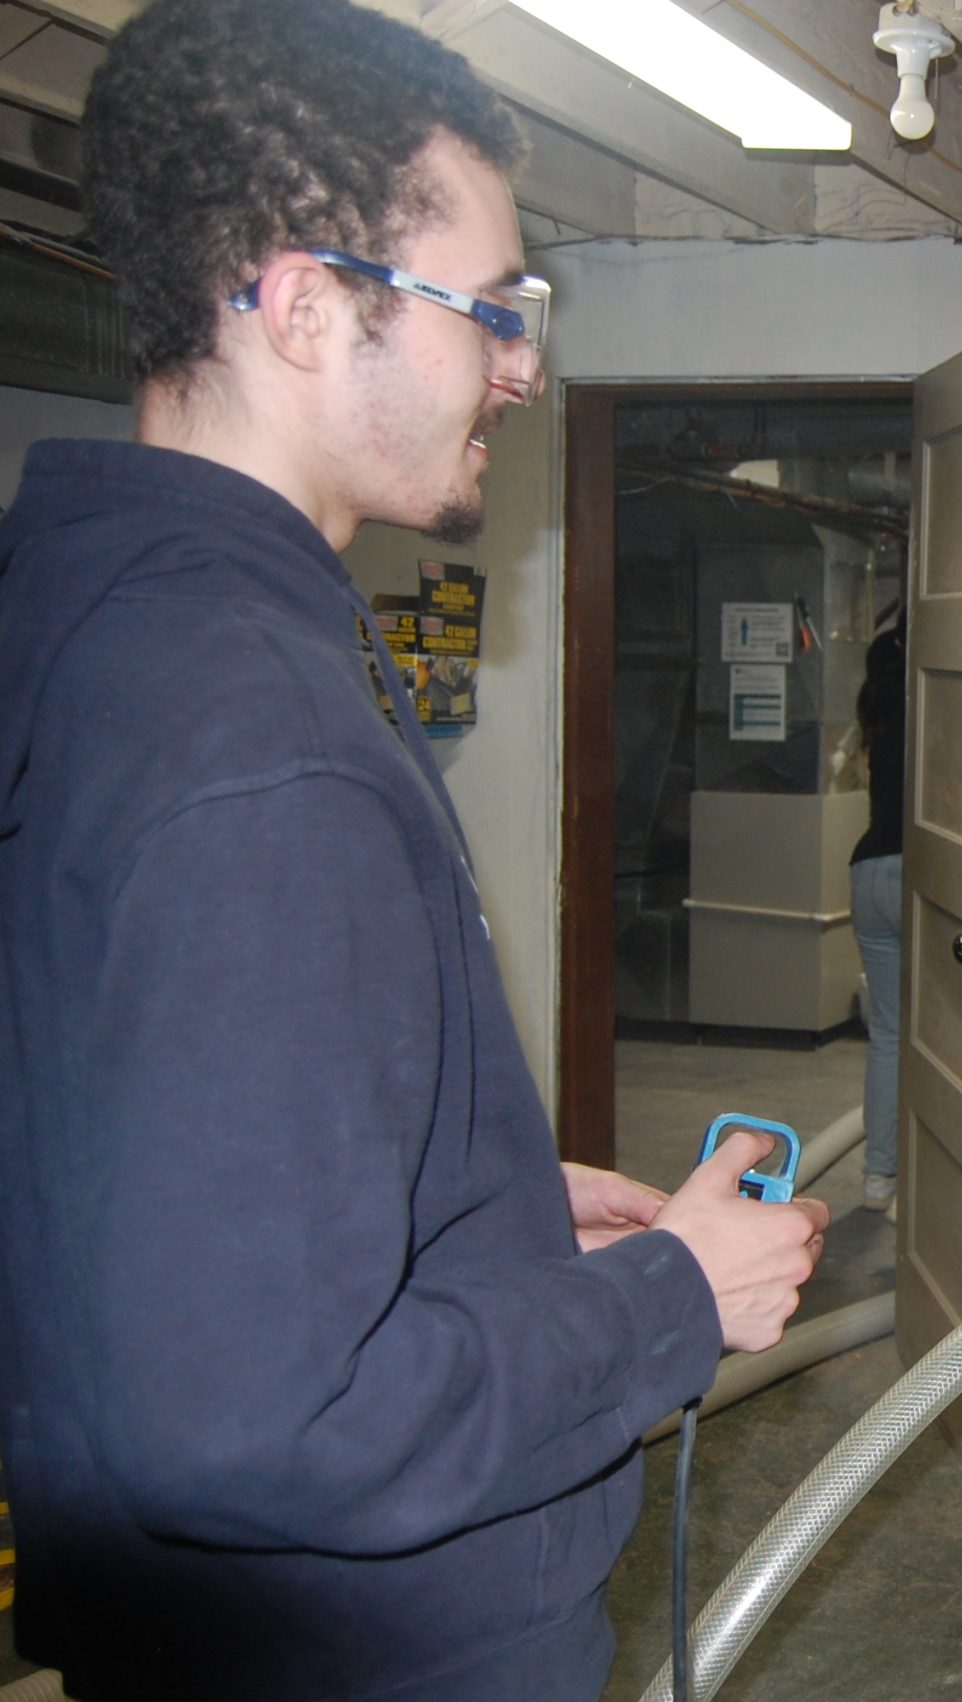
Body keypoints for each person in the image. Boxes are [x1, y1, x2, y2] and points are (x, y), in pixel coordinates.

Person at [0, 3, 829, 1698]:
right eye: (494, 309)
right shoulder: (259, 744)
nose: (523, 367)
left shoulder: (103, 631)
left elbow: (147, 1205)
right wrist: (672, 1292)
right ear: (308, 309)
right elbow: (253, 1416)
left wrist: (491, 1215)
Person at [850, 622, 907, 1216]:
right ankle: (914, 1189)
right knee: (940, 1040)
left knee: (889, 1034)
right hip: (923, 874)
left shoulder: (879, 717)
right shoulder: (937, 710)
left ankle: (878, 1179)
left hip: (867, 873)